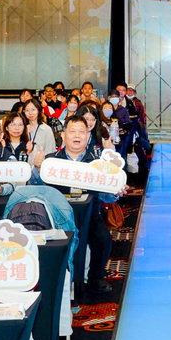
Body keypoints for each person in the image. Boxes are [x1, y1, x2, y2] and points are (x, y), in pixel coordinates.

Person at [39, 115, 120, 295]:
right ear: (63, 135)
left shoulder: (97, 164)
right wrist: (38, 169)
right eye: (72, 131)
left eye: (81, 132)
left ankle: (96, 277)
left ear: (88, 137)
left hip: (89, 215)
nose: (77, 136)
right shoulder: (52, 161)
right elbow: (37, 189)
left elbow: (106, 197)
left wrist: (114, 191)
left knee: (103, 239)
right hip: (57, 216)